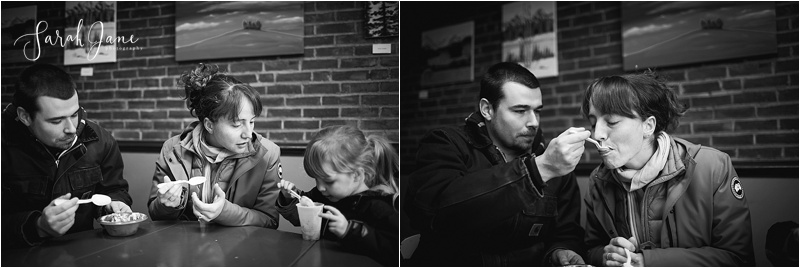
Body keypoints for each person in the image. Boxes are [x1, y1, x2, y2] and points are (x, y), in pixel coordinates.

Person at [405, 62, 590, 266]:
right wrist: (537, 171)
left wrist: (562, 251)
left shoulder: (554, 162)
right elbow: (435, 213)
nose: (534, 122)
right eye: (520, 110)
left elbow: (566, 232)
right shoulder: (445, 144)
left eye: (537, 111)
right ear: (487, 109)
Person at [581, 71, 755, 266]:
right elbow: (590, 249)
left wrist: (649, 262)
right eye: (593, 123)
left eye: (611, 122)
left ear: (648, 126)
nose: (597, 134)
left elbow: (738, 259)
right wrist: (606, 256)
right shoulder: (599, 180)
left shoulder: (713, 167)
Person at [2, 63, 132, 249]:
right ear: (25, 117)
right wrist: (37, 226)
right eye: (56, 121)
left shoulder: (100, 140)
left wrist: (113, 205)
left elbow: (115, 189)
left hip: (82, 254)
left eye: (74, 114)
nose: (72, 129)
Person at [147, 63, 281, 228]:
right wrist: (167, 204)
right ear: (209, 125)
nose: (248, 133)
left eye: (251, 122)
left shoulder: (267, 155)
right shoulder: (173, 150)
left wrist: (224, 211)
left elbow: (270, 221)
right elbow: (155, 214)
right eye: (237, 124)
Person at [275, 125, 399, 266]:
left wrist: (349, 231)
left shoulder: (379, 206)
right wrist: (288, 197)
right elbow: (302, 218)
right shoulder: (323, 195)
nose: (320, 187)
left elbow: (394, 253)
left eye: (329, 181)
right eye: (316, 179)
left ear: (356, 175)